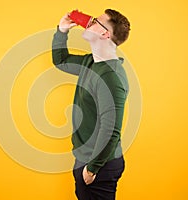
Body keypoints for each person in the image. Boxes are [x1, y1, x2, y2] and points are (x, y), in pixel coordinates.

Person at [52, 9, 130, 200]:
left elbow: (111, 129)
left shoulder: (110, 76)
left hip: (99, 165)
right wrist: (62, 31)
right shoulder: (91, 62)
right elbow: (61, 61)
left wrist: (92, 168)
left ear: (105, 33)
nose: (88, 22)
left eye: (95, 21)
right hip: (86, 159)